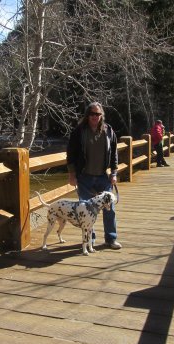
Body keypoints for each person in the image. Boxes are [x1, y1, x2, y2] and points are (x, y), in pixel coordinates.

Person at [66, 101, 122, 249]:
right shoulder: (79, 131)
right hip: (84, 177)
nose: (94, 117)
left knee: (109, 209)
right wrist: (72, 174)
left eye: (97, 114)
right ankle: (89, 241)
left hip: (103, 177)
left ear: (101, 115)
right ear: (87, 115)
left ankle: (111, 239)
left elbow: (114, 153)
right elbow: (70, 154)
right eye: (92, 114)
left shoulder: (108, 130)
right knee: (86, 211)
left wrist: (114, 172)